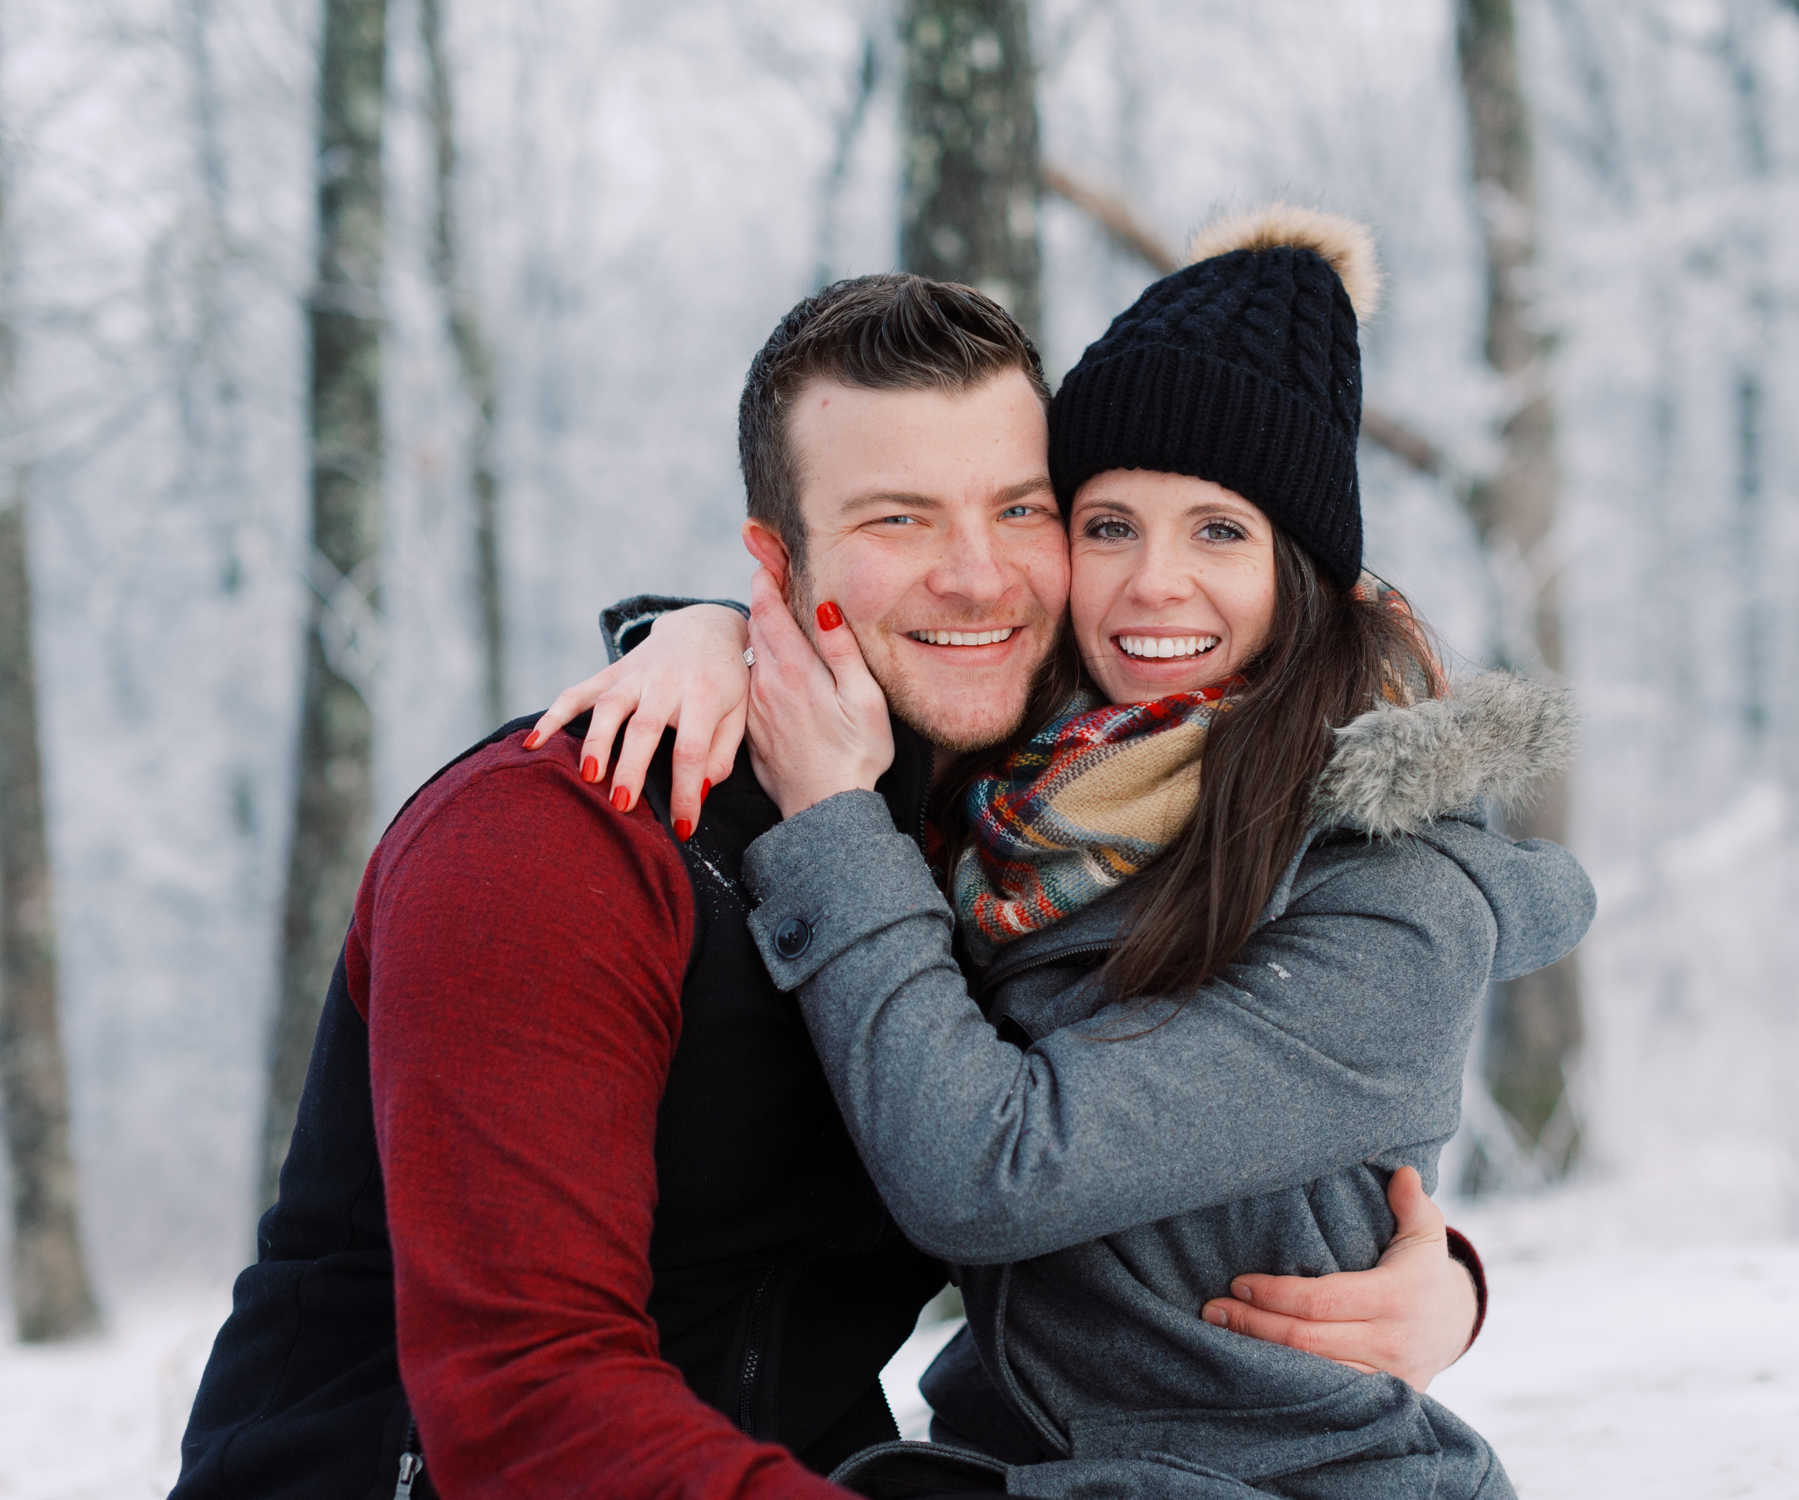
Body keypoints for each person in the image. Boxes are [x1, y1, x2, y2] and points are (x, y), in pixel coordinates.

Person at [172, 269, 1484, 1500]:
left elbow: (1139, 1132)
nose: (976, 574)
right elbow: (523, 1402)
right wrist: (698, 630)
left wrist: (1437, 1278)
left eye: (1020, 508)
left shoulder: (999, 842)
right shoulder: (544, 847)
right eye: (895, 518)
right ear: (778, 563)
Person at [569, 206, 1592, 1498]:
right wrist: (715, 634)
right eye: (1109, 525)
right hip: (1017, 1462)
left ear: (1307, 578)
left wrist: (832, 822)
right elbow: (885, 621)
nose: (1154, 583)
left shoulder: (1391, 901)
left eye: (1219, 532)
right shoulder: (1034, 790)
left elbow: (991, 1173)